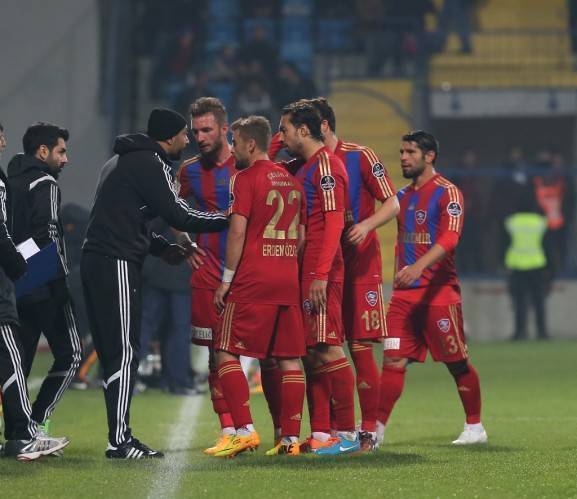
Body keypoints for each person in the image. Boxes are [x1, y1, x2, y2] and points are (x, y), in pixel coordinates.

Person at [81, 108, 228, 459]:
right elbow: (178, 213)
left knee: (115, 351)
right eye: (184, 134)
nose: (187, 140)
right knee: (125, 352)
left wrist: (162, 248)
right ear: (170, 136)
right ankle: (120, 440)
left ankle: (109, 435)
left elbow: (123, 221)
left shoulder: (118, 162)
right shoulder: (151, 163)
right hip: (115, 261)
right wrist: (228, 219)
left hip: (99, 259)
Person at [377, 131, 488, 446]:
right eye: (401, 151)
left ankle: (475, 427)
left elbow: (450, 239)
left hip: (439, 294)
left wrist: (418, 267)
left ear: (429, 156)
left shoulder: (448, 193)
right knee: (393, 359)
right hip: (403, 297)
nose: (403, 157)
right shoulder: (400, 196)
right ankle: (375, 430)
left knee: (457, 362)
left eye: (410, 152)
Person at [211, 115, 307, 458]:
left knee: (224, 350)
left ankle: (243, 430)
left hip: (253, 279)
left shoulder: (244, 178)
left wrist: (226, 280)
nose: (232, 148)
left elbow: (237, 232)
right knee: (289, 359)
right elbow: (301, 237)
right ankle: (291, 439)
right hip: (287, 279)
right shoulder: (292, 183)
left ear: (250, 144)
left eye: (235, 142)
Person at [309, 98, 399, 451]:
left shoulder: (361, 156)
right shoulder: (308, 163)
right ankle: (334, 428)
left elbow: (392, 202)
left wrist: (366, 225)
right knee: (325, 348)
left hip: (360, 264)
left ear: (324, 126)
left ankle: (369, 430)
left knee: (360, 348)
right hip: (327, 266)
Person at [279, 101, 359, 455]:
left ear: (303, 130)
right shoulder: (305, 166)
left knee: (328, 348)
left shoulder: (326, 166)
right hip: (305, 269)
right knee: (311, 352)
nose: (280, 137)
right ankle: (322, 433)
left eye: (284, 130)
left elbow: (334, 223)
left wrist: (321, 274)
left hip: (320, 270)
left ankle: (348, 434)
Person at [6, 123, 82, 444]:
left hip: (14, 286)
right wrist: (59, 282)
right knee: (72, 353)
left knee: (18, 364)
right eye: (61, 151)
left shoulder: (9, 181)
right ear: (42, 151)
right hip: (44, 283)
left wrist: (16, 270)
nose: (65, 159)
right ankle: (36, 422)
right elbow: (46, 234)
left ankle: (17, 432)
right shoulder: (46, 183)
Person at [176, 97, 239, 454]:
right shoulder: (189, 171)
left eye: (206, 130)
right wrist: (185, 244)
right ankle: (229, 428)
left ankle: (284, 432)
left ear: (224, 129)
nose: (199, 137)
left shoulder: (247, 165)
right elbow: (172, 209)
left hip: (249, 274)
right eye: (195, 131)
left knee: (272, 356)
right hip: (209, 272)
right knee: (217, 354)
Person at [504, 189, 549, 340]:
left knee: (519, 302)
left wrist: (504, 263)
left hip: (517, 265)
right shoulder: (540, 222)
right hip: (537, 264)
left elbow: (504, 243)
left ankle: (519, 332)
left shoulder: (511, 222)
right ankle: (542, 332)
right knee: (539, 301)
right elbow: (547, 245)